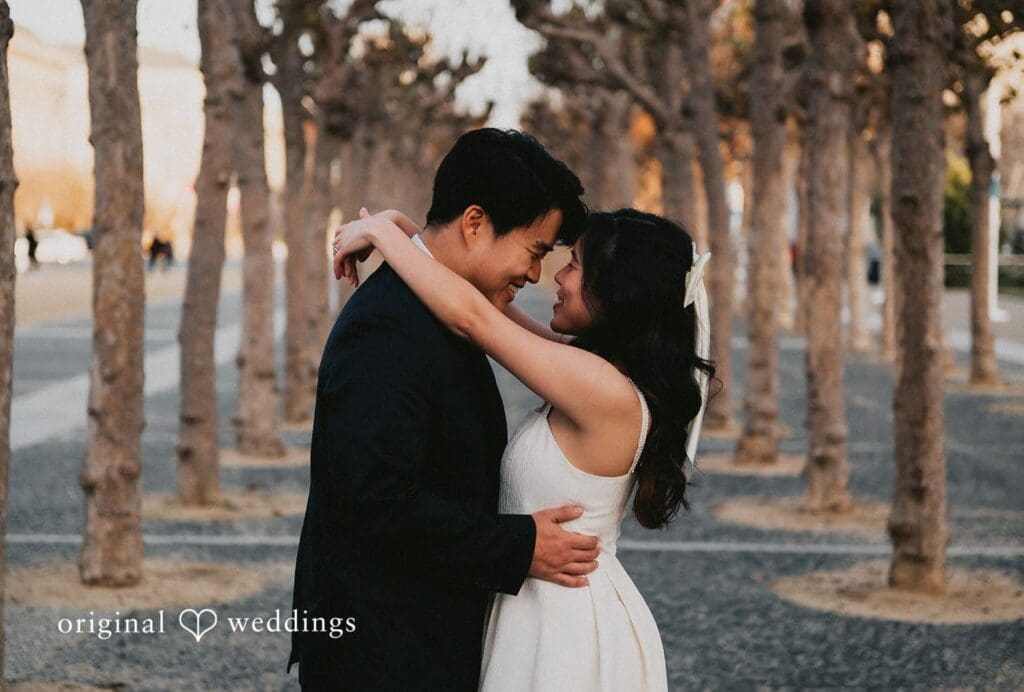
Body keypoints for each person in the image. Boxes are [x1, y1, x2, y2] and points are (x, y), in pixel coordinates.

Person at [332, 205, 714, 691]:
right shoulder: (594, 371)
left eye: (574, 263)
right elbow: (482, 301)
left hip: (566, 626)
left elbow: (472, 317)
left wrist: (381, 234)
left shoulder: (602, 389)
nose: (556, 275)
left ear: (616, 290)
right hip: (538, 603)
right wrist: (416, 233)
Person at [288, 128, 600, 690]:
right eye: (534, 251)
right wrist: (520, 544)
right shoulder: (388, 325)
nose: (535, 275)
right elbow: (375, 503)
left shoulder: (439, 308)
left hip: (418, 637)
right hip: (381, 651)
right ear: (475, 223)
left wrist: (393, 230)